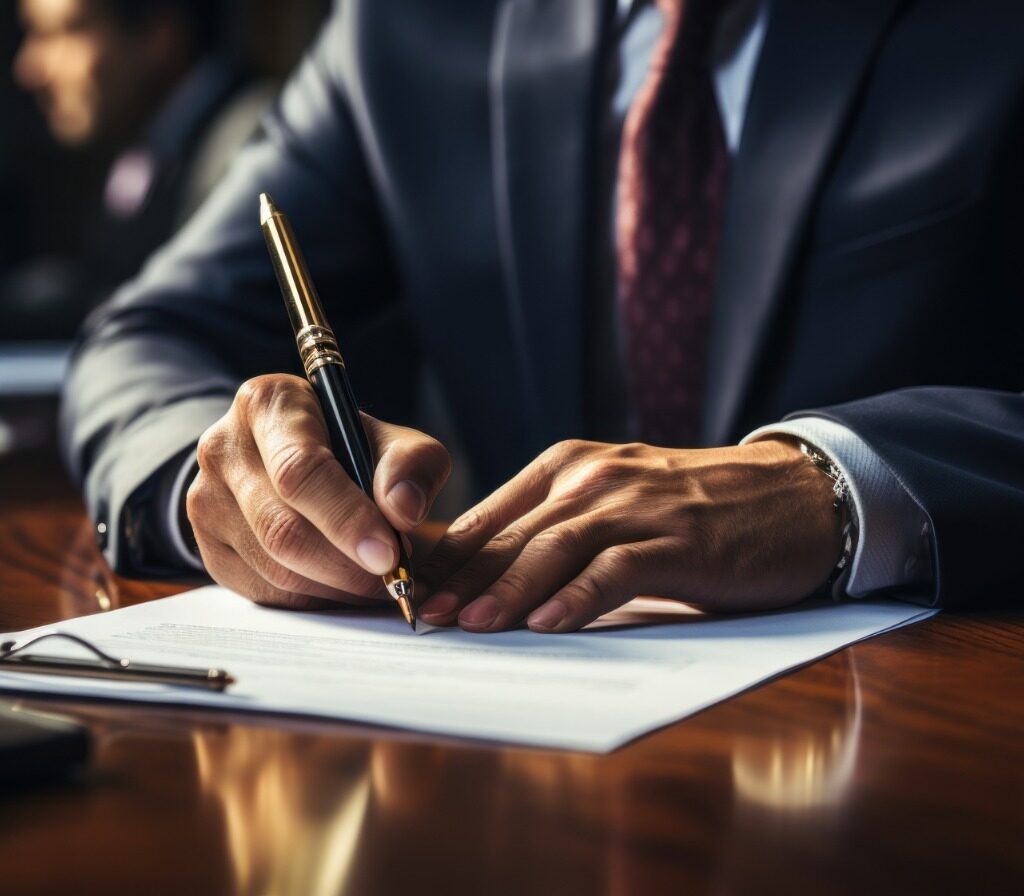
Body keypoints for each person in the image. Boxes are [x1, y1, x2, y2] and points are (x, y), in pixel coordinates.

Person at [61, 0, 1024, 634]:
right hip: (519, 731)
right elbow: (144, 340)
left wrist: (837, 492)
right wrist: (236, 482)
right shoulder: (412, 30)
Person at [2, 0, 274, 340]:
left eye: (66, 32)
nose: (29, 69)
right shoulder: (153, 147)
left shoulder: (254, 141)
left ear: (158, 36)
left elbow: (203, 327)